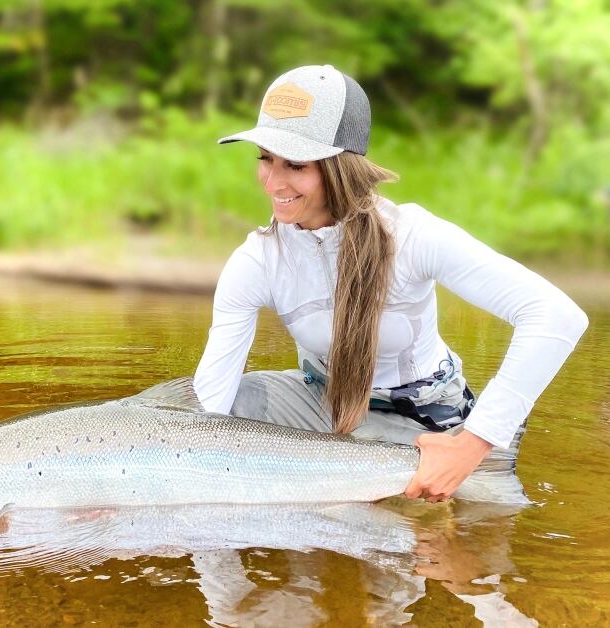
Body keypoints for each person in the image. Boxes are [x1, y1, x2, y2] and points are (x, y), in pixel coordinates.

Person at [192, 64, 589, 502]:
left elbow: (556, 317)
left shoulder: (414, 235)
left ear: (340, 167)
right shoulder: (257, 259)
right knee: (224, 408)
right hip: (324, 408)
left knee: (419, 553)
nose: (273, 181)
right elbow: (211, 400)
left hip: (421, 426)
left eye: (296, 164)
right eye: (265, 159)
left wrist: (472, 445)